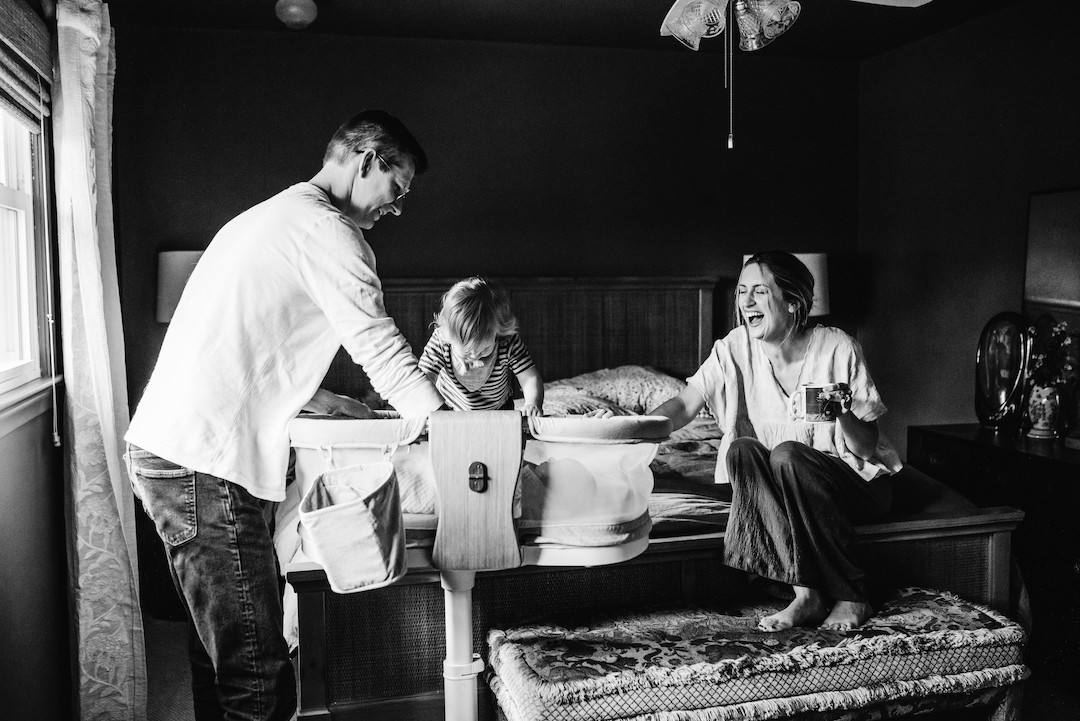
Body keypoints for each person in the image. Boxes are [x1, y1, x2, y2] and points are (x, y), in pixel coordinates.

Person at [124, 110, 445, 721]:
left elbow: (245, 346)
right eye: (396, 189)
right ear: (367, 160)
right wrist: (449, 426)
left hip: (174, 449)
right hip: (203, 463)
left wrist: (322, 400)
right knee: (258, 675)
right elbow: (380, 348)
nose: (397, 208)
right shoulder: (328, 232)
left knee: (219, 655)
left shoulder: (269, 216)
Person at [649, 251, 901, 632]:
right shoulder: (735, 348)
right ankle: (807, 594)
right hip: (789, 490)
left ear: (793, 301)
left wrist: (842, 413)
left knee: (786, 455)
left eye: (760, 292)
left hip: (858, 485)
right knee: (742, 450)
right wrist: (630, 426)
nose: (746, 302)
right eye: (742, 291)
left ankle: (853, 595)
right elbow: (684, 405)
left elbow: (866, 449)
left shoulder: (837, 347)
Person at [418, 276, 544, 415]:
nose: (475, 356)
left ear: (497, 331)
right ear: (450, 336)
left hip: (499, 410)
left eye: (484, 349)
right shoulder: (441, 341)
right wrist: (428, 409)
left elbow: (530, 378)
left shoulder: (507, 341)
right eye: (466, 353)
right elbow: (424, 379)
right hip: (450, 411)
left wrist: (532, 403)